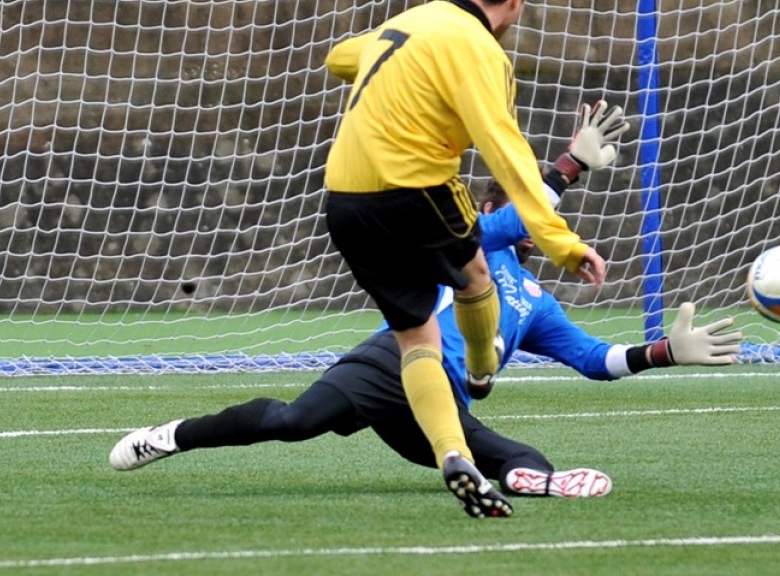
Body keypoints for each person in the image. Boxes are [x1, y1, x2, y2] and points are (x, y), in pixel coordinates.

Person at [109, 117, 743, 505]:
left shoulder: (538, 302)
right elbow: (518, 216)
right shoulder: (475, 241)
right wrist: (570, 165)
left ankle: (534, 482)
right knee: (294, 420)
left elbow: (594, 360)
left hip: (442, 408)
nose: (548, 224)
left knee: (514, 456)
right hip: (395, 363)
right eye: (536, 214)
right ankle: (171, 436)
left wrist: (663, 352)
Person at [316, 0, 607, 518]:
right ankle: (480, 369)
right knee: (476, 277)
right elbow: (507, 153)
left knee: (416, 338)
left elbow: (338, 58)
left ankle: (453, 452)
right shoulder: (481, 51)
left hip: (343, 198)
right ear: (516, 1)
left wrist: (389, 60)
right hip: (415, 188)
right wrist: (561, 243)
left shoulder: (415, 20)